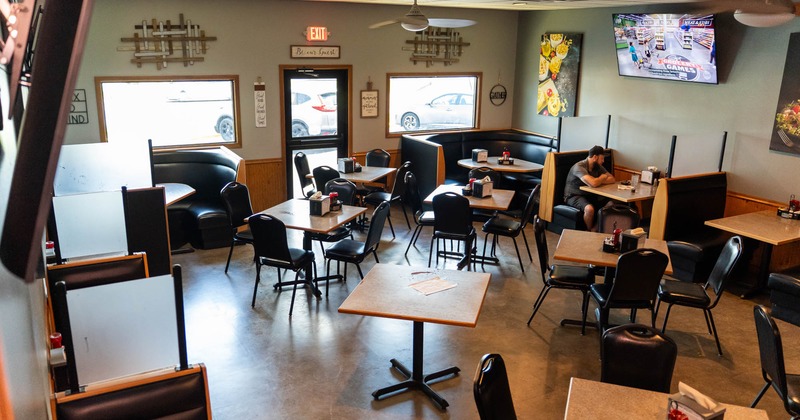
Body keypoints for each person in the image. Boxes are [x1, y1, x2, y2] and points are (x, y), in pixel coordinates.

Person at [563, 145, 616, 231]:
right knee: (589, 209)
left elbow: (612, 179)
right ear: (595, 157)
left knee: (610, 204)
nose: (603, 161)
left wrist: (598, 180)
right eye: (602, 158)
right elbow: (593, 183)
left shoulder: (597, 166)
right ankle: (588, 232)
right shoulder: (579, 167)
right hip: (573, 196)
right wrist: (602, 178)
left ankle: (594, 229)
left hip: (589, 195)